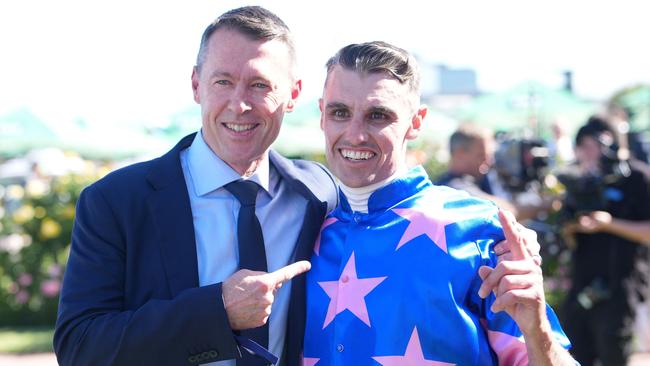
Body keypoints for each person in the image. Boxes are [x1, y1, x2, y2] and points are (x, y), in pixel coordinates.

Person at [53, 6, 338, 366]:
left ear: (293, 94)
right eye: (223, 82)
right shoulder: (115, 202)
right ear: (195, 85)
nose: (240, 104)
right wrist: (216, 311)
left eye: (260, 85)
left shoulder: (318, 193)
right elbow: (79, 346)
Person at [303, 41, 576, 365]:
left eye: (378, 115)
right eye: (340, 112)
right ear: (322, 115)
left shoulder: (478, 228)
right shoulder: (300, 227)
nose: (355, 134)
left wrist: (538, 332)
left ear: (416, 122)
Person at [560, 116, 650, 365]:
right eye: (584, 146)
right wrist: (571, 228)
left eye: (595, 145)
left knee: (614, 353)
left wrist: (608, 223)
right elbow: (569, 238)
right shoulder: (577, 181)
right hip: (582, 285)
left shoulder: (637, 177)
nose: (590, 153)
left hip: (621, 285)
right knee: (574, 355)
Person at [435, 124, 553, 221]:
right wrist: (546, 204)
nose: (489, 162)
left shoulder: (478, 180)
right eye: (481, 156)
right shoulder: (452, 187)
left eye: (490, 156)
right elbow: (505, 212)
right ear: (460, 154)